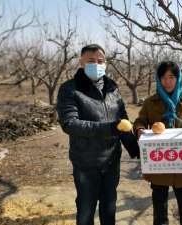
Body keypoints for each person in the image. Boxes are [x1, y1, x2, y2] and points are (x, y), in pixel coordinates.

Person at [56, 44, 139, 225]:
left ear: (106, 63)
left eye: (100, 61)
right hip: (86, 162)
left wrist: (137, 149)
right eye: (91, 61)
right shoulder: (70, 89)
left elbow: (122, 121)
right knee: (86, 209)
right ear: (81, 62)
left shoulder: (112, 88)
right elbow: (70, 124)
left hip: (111, 161)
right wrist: (110, 128)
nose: (96, 64)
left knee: (109, 207)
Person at [134, 61, 182, 225]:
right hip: (159, 162)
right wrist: (140, 130)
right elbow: (140, 121)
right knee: (160, 205)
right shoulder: (150, 102)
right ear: (158, 79)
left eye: (171, 77)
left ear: (178, 78)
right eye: (163, 77)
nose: (167, 81)